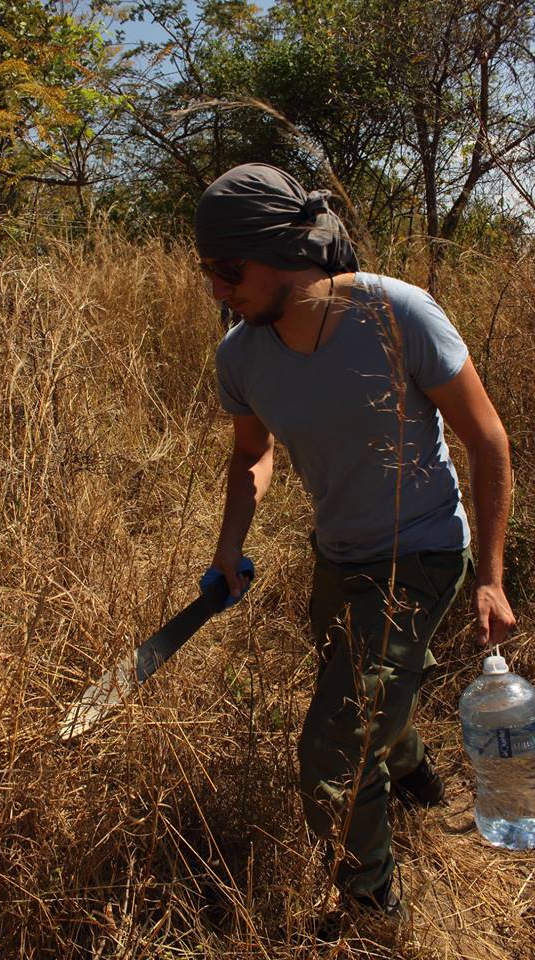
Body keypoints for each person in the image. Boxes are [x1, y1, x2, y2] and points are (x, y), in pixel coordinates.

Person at [194, 163, 516, 934]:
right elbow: (251, 455)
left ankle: (377, 915)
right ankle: (418, 780)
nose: (218, 289)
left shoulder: (397, 313)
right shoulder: (240, 356)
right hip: (338, 556)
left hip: (422, 553)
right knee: (365, 694)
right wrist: (230, 544)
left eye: (229, 269)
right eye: (208, 272)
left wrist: (491, 577)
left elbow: (488, 441)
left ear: (284, 250)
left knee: (334, 752)